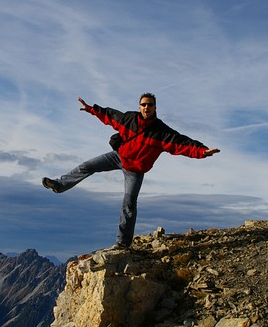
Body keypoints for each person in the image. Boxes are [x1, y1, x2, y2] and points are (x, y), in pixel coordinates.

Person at [42, 94, 220, 249]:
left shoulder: (161, 132)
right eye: (143, 104)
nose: (146, 107)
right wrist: (90, 109)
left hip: (135, 170)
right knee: (86, 166)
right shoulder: (130, 119)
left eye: (150, 104)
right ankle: (59, 185)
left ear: (155, 107)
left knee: (129, 203)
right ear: (139, 107)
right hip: (119, 156)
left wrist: (202, 151)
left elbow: (182, 143)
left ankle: (123, 243)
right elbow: (110, 115)